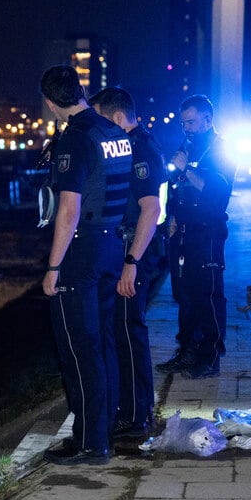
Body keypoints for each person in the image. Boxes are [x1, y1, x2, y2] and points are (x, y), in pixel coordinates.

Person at [37, 65, 133, 466]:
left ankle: (91, 443)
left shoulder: (76, 139)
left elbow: (69, 208)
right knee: (104, 345)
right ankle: (100, 430)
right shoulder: (111, 131)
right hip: (113, 245)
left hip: (83, 252)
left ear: (49, 101)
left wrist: (53, 266)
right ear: (79, 90)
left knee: (80, 350)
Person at [90, 87, 165, 439]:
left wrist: (132, 262)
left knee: (128, 330)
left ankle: (137, 417)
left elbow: (152, 209)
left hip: (134, 249)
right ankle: (131, 409)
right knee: (120, 330)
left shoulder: (140, 150)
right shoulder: (138, 144)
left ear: (118, 118)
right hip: (128, 247)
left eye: (102, 121)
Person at [155, 94, 235, 379]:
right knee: (184, 295)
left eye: (191, 121)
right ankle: (187, 351)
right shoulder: (188, 146)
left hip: (207, 233)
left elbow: (215, 193)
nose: (186, 127)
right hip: (182, 232)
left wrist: (187, 168)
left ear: (207, 119)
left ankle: (210, 357)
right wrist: (172, 217)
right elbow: (176, 188)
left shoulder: (221, 150)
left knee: (208, 296)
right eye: (182, 122)